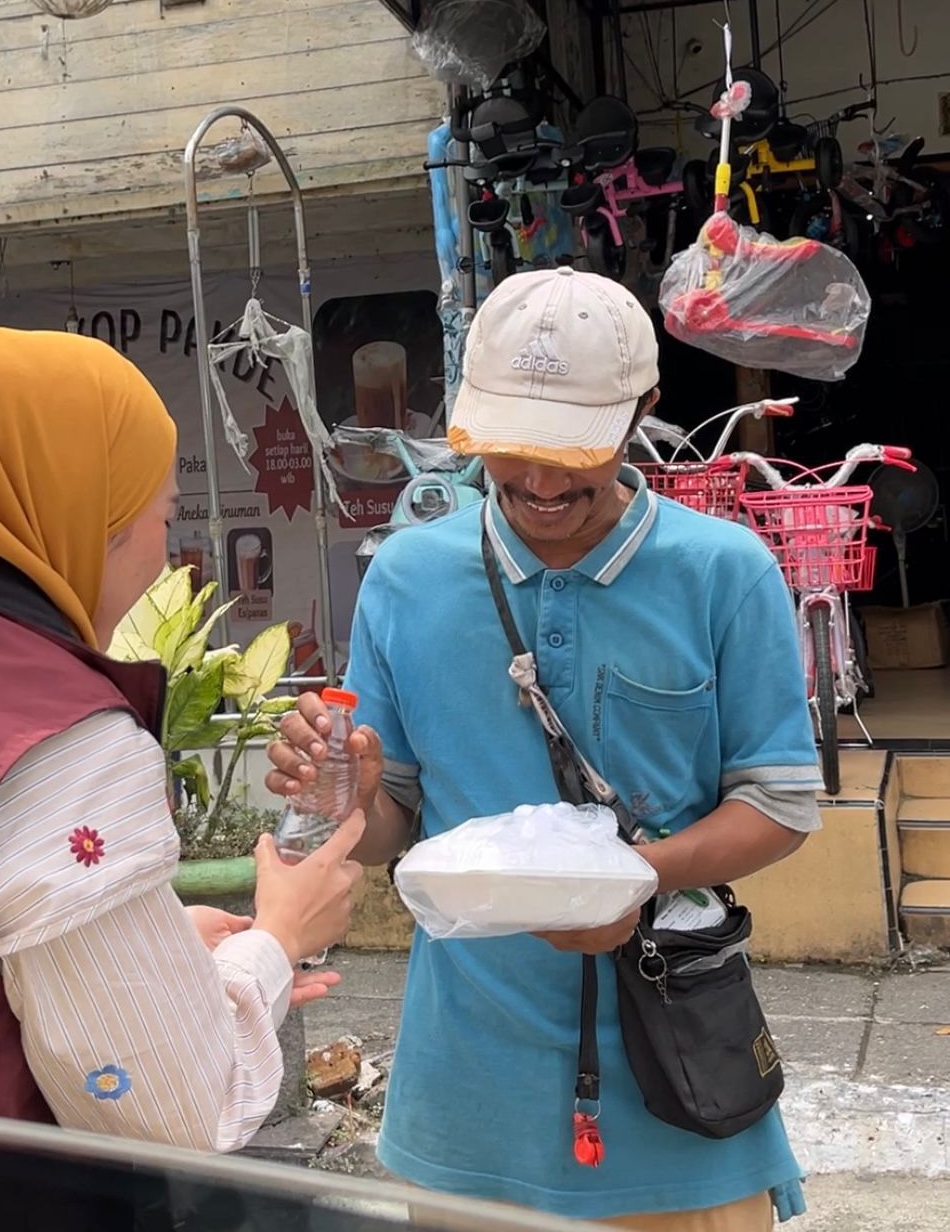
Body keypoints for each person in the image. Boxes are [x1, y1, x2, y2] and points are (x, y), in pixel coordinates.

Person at [268, 269, 823, 1230]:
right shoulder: (406, 578)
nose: (540, 481)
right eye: (512, 448)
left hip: (681, 1096)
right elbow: (391, 822)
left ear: (644, 411)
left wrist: (637, 879)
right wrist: (346, 793)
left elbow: (776, 805)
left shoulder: (724, 573)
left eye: (573, 449)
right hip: (463, 1109)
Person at [0, 327, 362, 1151]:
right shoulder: (58, 743)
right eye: (161, 516)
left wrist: (144, 947)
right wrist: (276, 939)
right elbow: (176, 1108)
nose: (167, 557)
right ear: (83, 521)